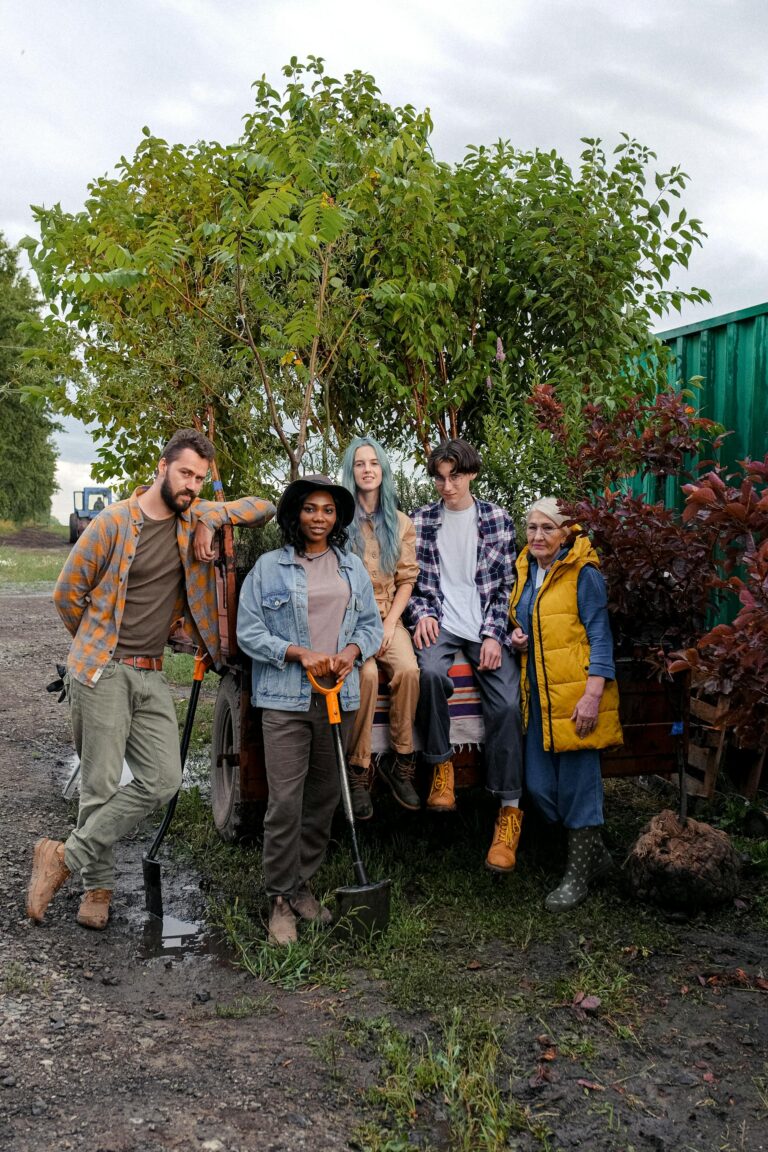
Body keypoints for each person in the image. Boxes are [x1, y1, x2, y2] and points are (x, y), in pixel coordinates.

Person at [26, 429, 276, 930]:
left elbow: (263, 506)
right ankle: (96, 892)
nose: (192, 486)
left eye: (201, 479)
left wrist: (211, 516)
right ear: (161, 467)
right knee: (98, 784)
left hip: (152, 673)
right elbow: (66, 593)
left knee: (164, 778)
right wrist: (96, 645)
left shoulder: (193, 520)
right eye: (185, 474)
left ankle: (62, 856)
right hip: (104, 669)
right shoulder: (115, 522)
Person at [236, 475, 383, 946]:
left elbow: (372, 625)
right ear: (295, 515)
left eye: (328, 510)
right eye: (310, 509)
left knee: (323, 798)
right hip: (285, 699)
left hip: (338, 697)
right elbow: (249, 632)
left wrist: (353, 652)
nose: (319, 518)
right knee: (284, 802)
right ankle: (279, 899)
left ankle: (302, 887)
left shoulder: (351, 567)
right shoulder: (268, 568)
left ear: (337, 518)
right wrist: (299, 653)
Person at [406, 439, 523, 872]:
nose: (447, 485)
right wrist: (420, 615)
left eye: (455, 476)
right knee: (431, 673)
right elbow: (413, 584)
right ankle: (441, 766)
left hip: (485, 627)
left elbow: (505, 586)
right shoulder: (420, 522)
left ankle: (509, 812)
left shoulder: (496, 519)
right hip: (442, 622)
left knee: (508, 704)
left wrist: (494, 635)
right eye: (439, 477)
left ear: (471, 474)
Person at [509, 497, 622, 911]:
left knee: (578, 786)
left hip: (576, 696)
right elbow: (524, 623)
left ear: (566, 532)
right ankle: (596, 857)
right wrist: (515, 637)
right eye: (533, 527)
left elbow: (601, 637)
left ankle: (578, 877)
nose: (538, 536)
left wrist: (593, 696)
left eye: (548, 528)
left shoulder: (584, 574)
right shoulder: (526, 569)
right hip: (538, 697)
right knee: (539, 786)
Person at [340, 437, 420, 819]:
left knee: (408, 670)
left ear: (383, 471)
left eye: (374, 463)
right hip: (351, 621)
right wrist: (362, 633)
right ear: (351, 472)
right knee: (367, 675)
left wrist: (389, 625)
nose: (367, 469)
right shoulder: (341, 521)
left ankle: (401, 761)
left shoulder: (400, 522)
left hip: (389, 616)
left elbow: (407, 580)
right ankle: (358, 769)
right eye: (360, 464)